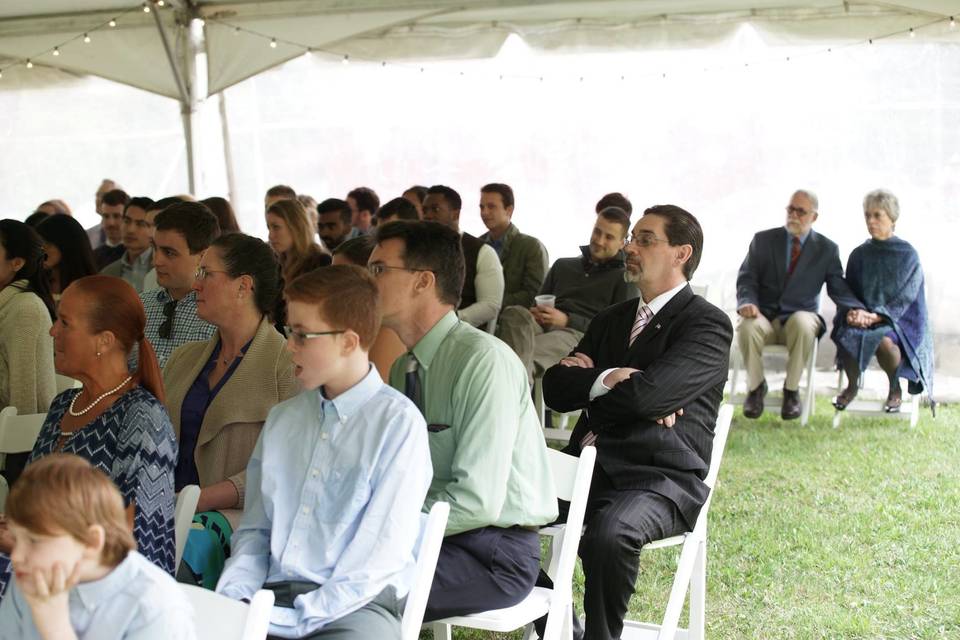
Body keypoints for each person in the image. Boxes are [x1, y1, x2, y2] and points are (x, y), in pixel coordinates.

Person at [542, 205, 733, 640]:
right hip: (581, 469)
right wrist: (610, 378)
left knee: (609, 536)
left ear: (681, 253)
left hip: (658, 478)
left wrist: (593, 393)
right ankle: (559, 623)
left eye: (645, 239)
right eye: (633, 238)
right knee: (499, 515)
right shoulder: (611, 319)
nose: (630, 246)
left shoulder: (707, 324)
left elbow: (650, 395)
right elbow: (555, 389)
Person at [217, 265, 431, 640]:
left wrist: (293, 620)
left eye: (302, 335)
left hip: (358, 607)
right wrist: (236, 600)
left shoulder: (397, 425)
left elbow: (377, 558)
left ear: (348, 342)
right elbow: (254, 532)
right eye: (289, 331)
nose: (289, 345)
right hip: (272, 597)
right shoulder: (283, 420)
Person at [369, 221, 556, 621]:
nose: (368, 283)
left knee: (351, 594)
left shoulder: (482, 361)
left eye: (380, 269)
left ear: (423, 282)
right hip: (437, 538)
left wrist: (382, 531)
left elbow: (477, 501)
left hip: (493, 553)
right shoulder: (405, 367)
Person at [0, 274, 178, 597]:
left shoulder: (142, 416)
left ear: (103, 341)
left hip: (99, 589)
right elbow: (31, 502)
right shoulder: (64, 404)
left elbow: (131, 539)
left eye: (65, 323)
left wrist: (30, 543)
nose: (53, 331)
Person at [163, 233, 297, 527]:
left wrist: (193, 502)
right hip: (168, 513)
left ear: (243, 286)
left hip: (240, 525)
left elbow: (289, 465)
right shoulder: (184, 359)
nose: (195, 284)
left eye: (206, 274)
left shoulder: (288, 366)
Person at [0, 454, 195, 640]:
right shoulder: (32, 573)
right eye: (16, 539)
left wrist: (56, 629)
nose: (16, 556)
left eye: (34, 541)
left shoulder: (155, 608)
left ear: (91, 542)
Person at [735, 189, 863, 420]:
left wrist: (856, 309)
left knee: (803, 322)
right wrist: (747, 302)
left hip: (799, 322)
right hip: (764, 318)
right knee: (747, 325)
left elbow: (837, 287)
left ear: (814, 217)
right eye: (790, 209)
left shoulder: (827, 249)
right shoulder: (763, 240)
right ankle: (755, 388)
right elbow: (747, 277)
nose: (793, 215)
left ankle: (791, 391)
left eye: (800, 211)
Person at [497, 206, 637, 386]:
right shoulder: (563, 265)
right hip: (540, 325)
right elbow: (537, 302)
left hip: (577, 334)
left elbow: (616, 331)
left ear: (622, 243)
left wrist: (567, 320)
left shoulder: (624, 278)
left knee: (517, 352)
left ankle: (511, 391)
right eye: (597, 232)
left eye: (609, 237)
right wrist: (538, 313)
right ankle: (517, 388)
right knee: (514, 313)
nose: (599, 240)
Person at [831, 189, 935, 413]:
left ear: (892, 217)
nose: (871, 221)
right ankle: (852, 385)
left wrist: (878, 316)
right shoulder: (859, 254)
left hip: (898, 321)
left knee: (884, 341)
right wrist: (854, 311)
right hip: (864, 318)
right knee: (847, 333)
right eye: (867, 215)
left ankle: (895, 387)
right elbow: (851, 292)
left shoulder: (908, 254)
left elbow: (906, 297)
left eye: (877, 215)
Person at [140, 202, 219, 368]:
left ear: (203, 256)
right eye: (155, 248)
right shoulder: (139, 307)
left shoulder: (218, 318)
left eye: (169, 253)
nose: (156, 261)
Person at [422, 185, 504, 329]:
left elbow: (490, 305)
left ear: (455, 214)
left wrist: (452, 320)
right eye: (424, 210)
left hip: (463, 335)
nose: (427, 216)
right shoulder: (417, 251)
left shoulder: (482, 252)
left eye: (435, 209)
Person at [0, 220, 56, 415]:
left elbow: (25, 398)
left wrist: (16, 444)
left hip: (14, 438)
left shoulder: (26, 309)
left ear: (17, 263)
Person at [331, 235, 406, 380]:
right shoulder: (358, 322)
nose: (333, 285)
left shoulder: (385, 328)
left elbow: (375, 397)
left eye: (342, 277)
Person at [478, 183, 549, 310]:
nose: (484, 212)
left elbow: (534, 295)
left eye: (491, 207)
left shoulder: (532, 247)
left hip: (511, 320)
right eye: (482, 207)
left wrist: (489, 304)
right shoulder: (476, 245)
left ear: (509, 210)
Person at [34, 215, 98, 303]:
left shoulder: (91, 289)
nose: (41, 251)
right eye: (39, 245)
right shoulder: (35, 283)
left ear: (66, 246)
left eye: (47, 245)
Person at [266, 199, 331, 284]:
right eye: (269, 228)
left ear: (296, 227)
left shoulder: (320, 262)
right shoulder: (273, 263)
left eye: (276, 227)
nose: (270, 236)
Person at [100, 197, 156, 292]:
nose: (131, 230)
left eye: (140, 224)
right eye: (127, 221)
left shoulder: (162, 267)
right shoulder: (108, 273)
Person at [92, 189, 129, 269]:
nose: (110, 223)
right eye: (106, 216)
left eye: (117, 216)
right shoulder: (92, 256)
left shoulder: (135, 255)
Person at [86, 178, 119, 249]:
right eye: (97, 195)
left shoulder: (129, 236)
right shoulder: (87, 234)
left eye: (104, 195)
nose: (98, 199)